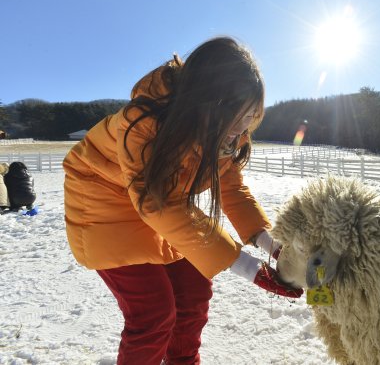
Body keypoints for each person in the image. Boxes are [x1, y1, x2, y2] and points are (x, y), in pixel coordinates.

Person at [63, 37, 303, 365]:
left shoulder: (224, 135)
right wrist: (250, 269)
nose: (243, 127)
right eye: (237, 114)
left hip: (162, 205)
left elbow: (232, 190)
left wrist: (275, 247)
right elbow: (155, 203)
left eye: (251, 115)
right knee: (153, 312)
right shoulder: (143, 122)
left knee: (194, 292)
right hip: (102, 201)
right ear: (208, 100)